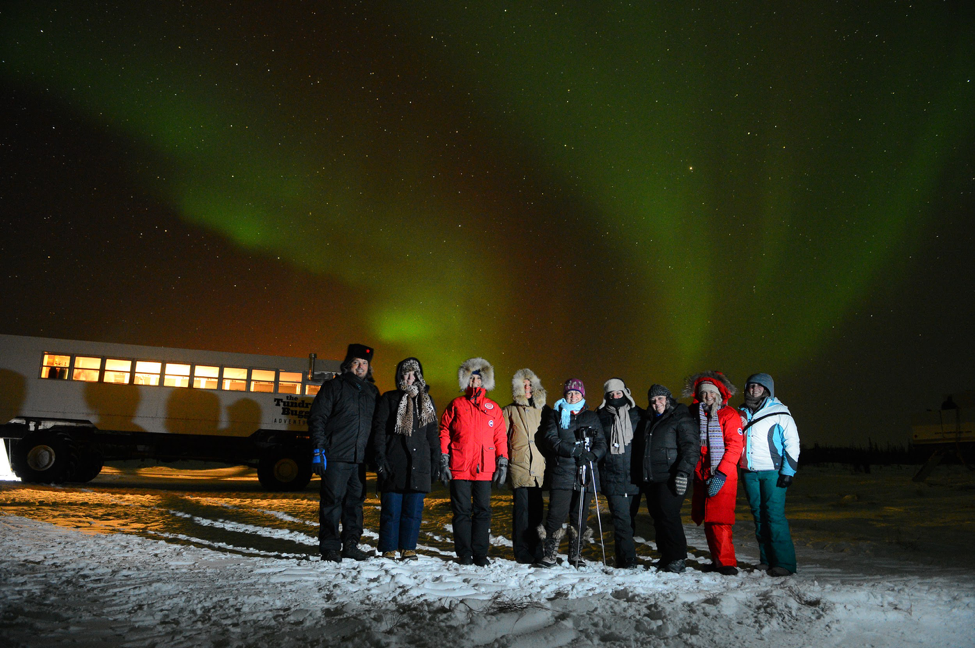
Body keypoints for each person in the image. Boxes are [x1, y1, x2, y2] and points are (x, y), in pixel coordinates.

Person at [309, 343, 380, 563]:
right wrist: (319, 449)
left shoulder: (372, 392)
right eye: (356, 362)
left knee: (355, 504)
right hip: (336, 456)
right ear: (348, 365)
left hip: (359, 460)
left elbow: (379, 426)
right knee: (332, 502)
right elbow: (317, 418)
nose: (360, 367)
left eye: (365, 363)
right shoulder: (334, 387)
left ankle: (351, 544)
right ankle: (330, 547)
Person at [439, 357, 508, 566]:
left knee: (483, 512)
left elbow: (500, 437)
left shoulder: (493, 408)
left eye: (478, 378)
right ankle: (464, 553)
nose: (474, 382)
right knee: (461, 512)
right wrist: (444, 458)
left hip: (484, 468)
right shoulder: (457, 404)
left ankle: (480, 553)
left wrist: (502, 461)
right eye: (470, 378)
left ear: (484, 380)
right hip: (459, 467)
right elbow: (444, 430)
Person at [371, 358, 440, 561]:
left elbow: (432, 434)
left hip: (419, 464)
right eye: (405, 373)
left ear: (418, 376)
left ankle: (409, 548)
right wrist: (380, 458)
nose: (409, 378)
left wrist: (435, 460)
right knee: (391, 511)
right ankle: (389, 548)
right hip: (394, 462)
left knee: (413, 511)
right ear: (399, 376)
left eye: (413, 374)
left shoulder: (427, 401)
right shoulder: (389, 398)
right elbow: (379, 431)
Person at [537, 379, 607, 568]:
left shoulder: (591, 417)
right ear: (564, 395)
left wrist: (593, 455)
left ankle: (576, 554)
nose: (572, 396)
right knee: (556, 514)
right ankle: (550, 553)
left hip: (585, 473)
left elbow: (602, 443)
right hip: (562, 471)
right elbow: (550, 438)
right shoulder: (556, 414)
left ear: (582, 395)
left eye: (576, 393)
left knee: (580, 515)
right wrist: (572, 450)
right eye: (569, 393)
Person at [738, 373, 800, 577]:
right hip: (749, 472)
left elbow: (792, 442)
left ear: (767, 390)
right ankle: (766, 560)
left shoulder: (780, 412)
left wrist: (788, 471)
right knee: (759, 516)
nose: (754, 389)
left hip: (773, 472)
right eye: (751, 386)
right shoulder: (741, 413)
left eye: (759, 386)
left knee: (774, 516)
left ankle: (785, 563)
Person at [683, 371, 743, 575]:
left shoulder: (729, 415)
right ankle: (717, 560)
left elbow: (734, 447)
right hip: (702, 474)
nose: (707, 397)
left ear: (718, 394)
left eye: (710, 393)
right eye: (703, 393)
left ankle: (727, 562)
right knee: (708, 520)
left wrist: (722, 474)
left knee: (720, 521)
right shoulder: (696, 414)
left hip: (721, 475)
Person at [638, 384, 699, 573]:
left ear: (669, 399)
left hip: (671, 476)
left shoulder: (680, 417)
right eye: (653, 400)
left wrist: (683, 472)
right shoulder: (649, 420)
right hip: (653, 477)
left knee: (669, 516)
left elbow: (691, 446)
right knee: (658, 517)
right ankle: (666, 555)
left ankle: (677, 557)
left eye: (660, 399)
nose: (657, 403)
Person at [595, 378, 644, 569]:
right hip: (612, 475)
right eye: (611, 395)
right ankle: (629, 560)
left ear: (625, 393)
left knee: (629, 520)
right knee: (621, 519)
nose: (615, 397)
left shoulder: (638, 414)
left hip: (634, 476)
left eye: (618, 393)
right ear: (606, 397)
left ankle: (621, 555)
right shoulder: (600, 416)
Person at [502, 368, 548, 564]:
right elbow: (501, 438)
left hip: (538, 465)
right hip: (519, 464)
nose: (527, 388)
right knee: (522, 511)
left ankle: (537, 548)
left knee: (537, 511)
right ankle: (521, 551)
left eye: (530, 385)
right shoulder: (509, 410)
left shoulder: (544, 411)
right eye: (523, 385)